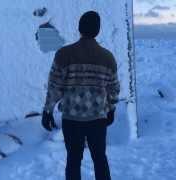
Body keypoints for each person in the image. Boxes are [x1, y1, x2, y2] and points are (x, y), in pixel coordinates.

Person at [41, 11, 120, 180]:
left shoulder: (64, 54)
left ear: (79, 28)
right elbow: (114, 89)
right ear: (98, 31)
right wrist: (111, 109)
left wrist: (47, 111)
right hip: (98, 120)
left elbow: (54, 86)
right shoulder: (108, 58)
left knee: (73, 161)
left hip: (72, 120)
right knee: (100, 159)